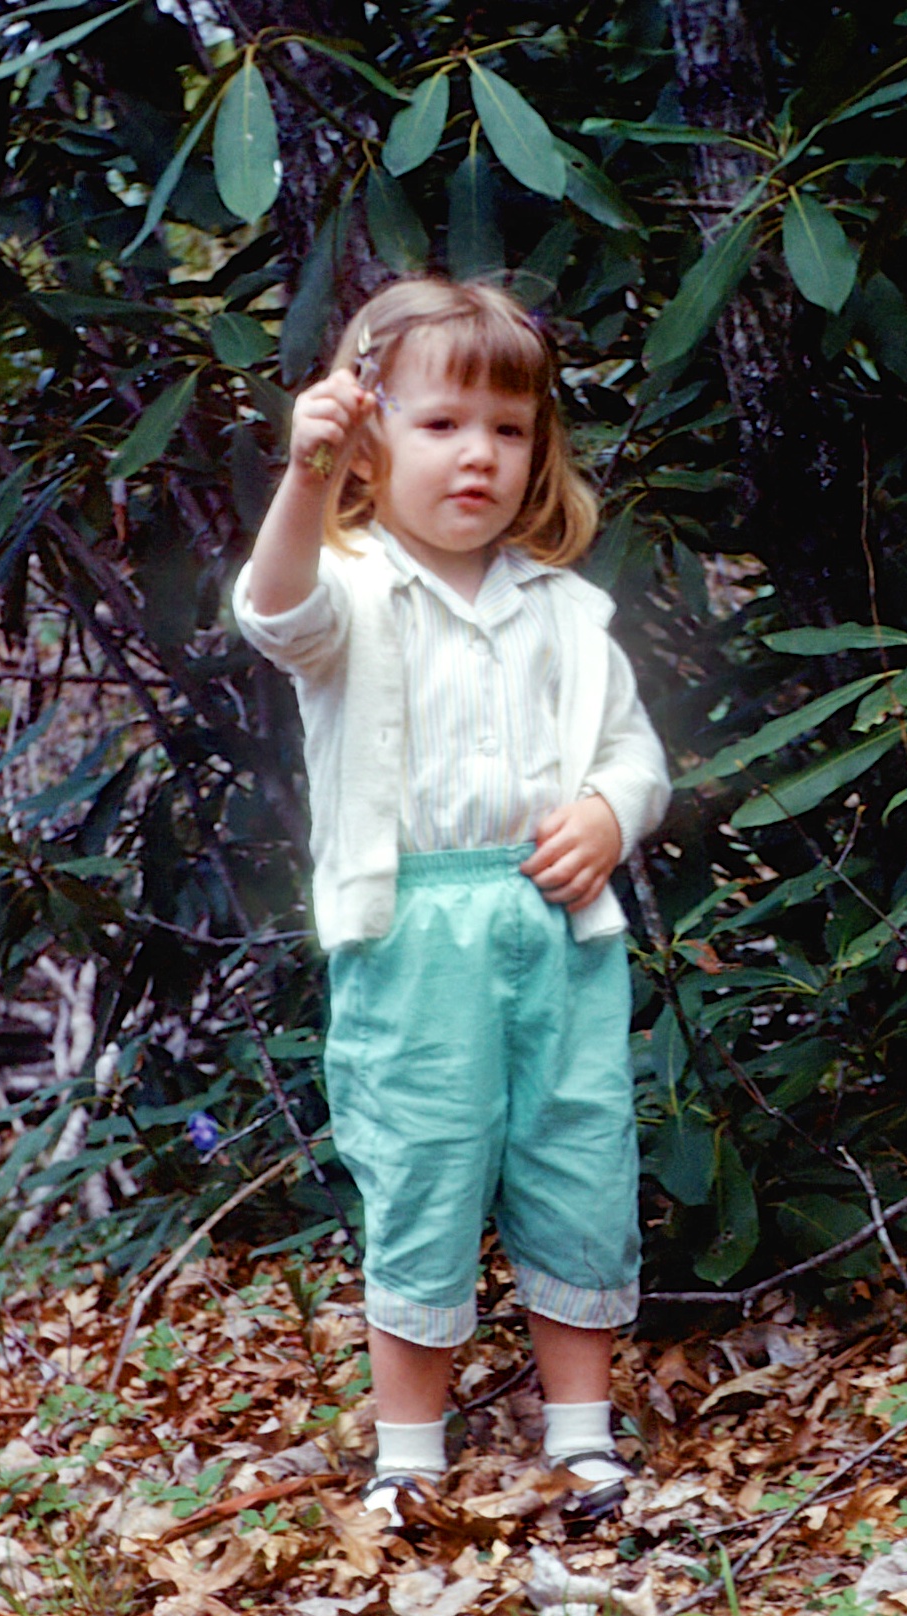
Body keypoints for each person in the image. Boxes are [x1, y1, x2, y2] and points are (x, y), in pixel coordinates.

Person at [231, 277, 670, 1525]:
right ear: (368, 440)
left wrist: (607, 813)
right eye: (439, 424)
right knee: (422, 1164)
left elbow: (634, 754)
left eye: (508, 429)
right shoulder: (350, 589)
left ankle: (581, 1437)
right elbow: (272, 610)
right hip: (414, 933)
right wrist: (305, 474)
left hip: (556, 928)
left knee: (578, 1154)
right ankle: (408, 1452)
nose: (477, 453)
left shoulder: (565, 611)